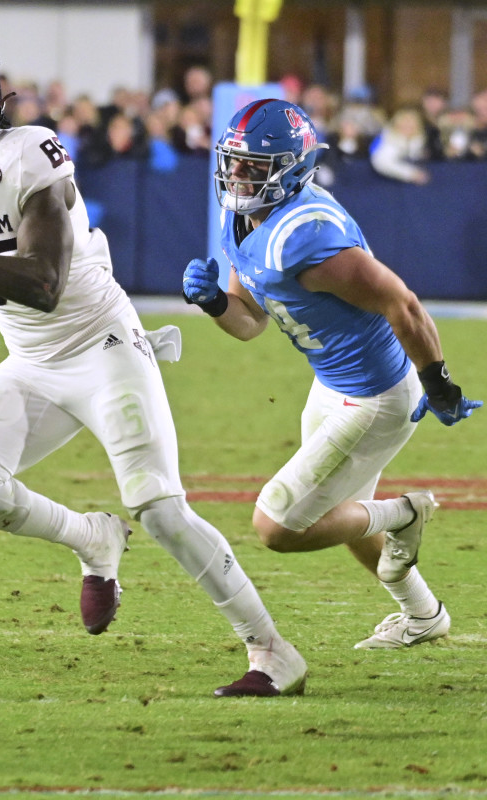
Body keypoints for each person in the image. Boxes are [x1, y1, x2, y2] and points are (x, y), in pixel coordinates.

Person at [0, 37, 305, 698]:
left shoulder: (30, 153)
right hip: (31, 363)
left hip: (104, 349)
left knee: (158, 505)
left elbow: (42, 281)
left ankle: (272, 651)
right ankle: (92, 539)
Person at [183, 99, 480, 650]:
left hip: (375, 397)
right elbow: (249, 324)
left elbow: (404, 305)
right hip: (332, 384)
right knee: (340, 513)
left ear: (292, 168)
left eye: (254, 166)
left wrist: (437, 380)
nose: (238, 175)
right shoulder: (243, 218)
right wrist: (215, 305)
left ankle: (405, 512)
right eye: (234, 162)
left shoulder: (307, 236)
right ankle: (423, 614)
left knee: (278, 526)